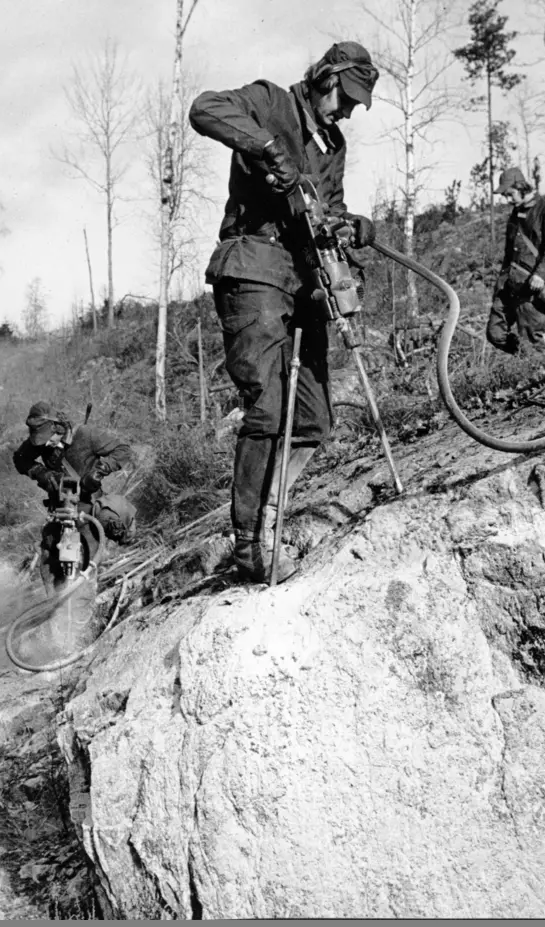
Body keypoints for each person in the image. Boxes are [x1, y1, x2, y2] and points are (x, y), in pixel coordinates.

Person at [189, 41, 379, 583]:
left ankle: (270, 511)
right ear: (326, 77)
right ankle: (249, 545)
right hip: (253, 269)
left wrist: (353, 226)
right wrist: (268, 146)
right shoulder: (271, 102)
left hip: (304, 281)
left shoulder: (334, 143)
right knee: (269, 411)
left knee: (313, 419)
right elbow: (205, 108)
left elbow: (330, 207)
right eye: (347, 96)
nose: (348, 110)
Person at [486, 166, 545, 355]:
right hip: (509, 285)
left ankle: (540, 365)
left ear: (521, 187)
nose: (508, 199)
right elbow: (509, 252)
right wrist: (501, 281)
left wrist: (541, 274)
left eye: (509, 194)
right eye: (505, 195)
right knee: (495, 334)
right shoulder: (515, 213)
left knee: (531, 341)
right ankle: (528, 357)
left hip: (531, 287)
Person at [13, 401, 138, 546]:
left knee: (89, 547)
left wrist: (99, 471)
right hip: (60, 505)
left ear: (58, 428)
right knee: (50, 549)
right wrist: (43, 474)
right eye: (41, 441)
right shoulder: (42, 442)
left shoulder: (86, 434)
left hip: (88, 503)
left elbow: (123, 450)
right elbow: (20, 459)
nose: (45, 445)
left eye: (47, 438)